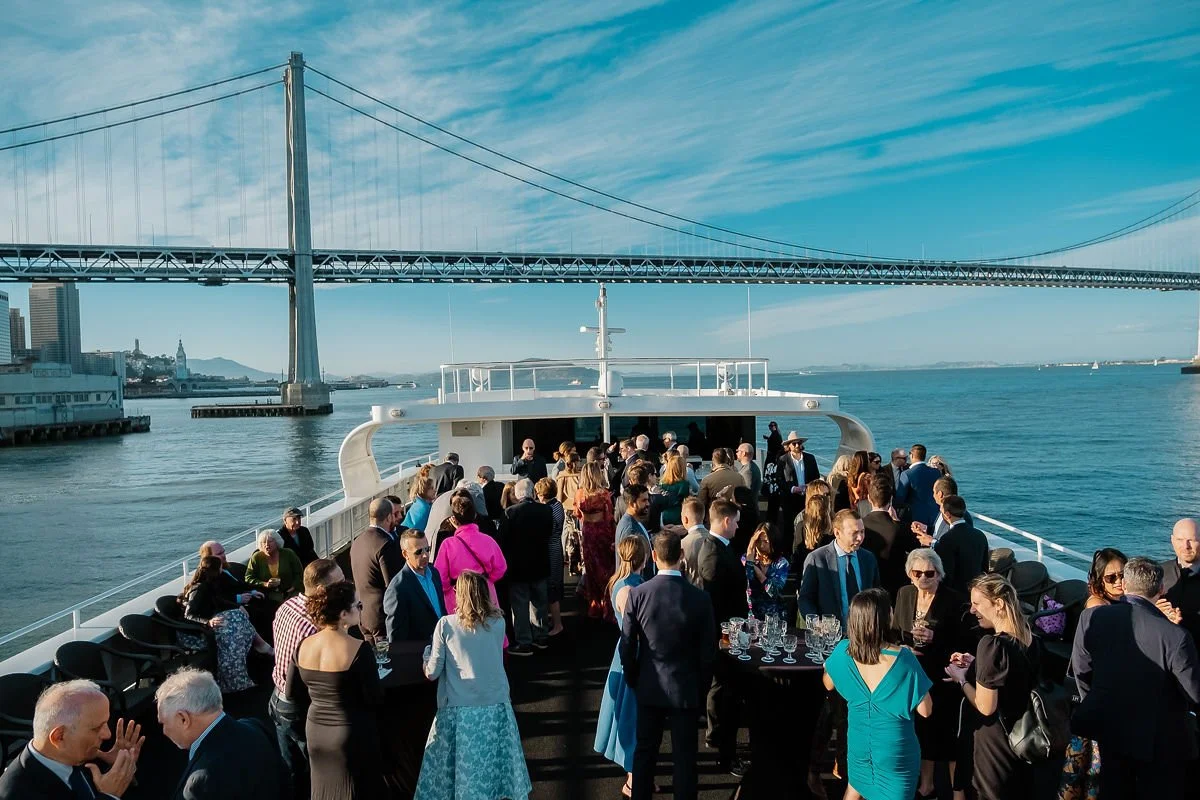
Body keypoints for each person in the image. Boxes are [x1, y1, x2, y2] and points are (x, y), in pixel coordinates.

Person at [1070, 557, 1200, 800]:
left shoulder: (1092, 618)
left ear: (1126, 586)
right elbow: (1193, 692)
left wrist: (1101, 704)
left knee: (1113, 789)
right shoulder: (1176, 636)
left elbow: (1081, 670)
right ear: (1160, 589)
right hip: (1158, 740)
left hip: (1109, 728)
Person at [416, 570, 532, 800]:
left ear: (461, 594)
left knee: (462, 774)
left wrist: (426, 656)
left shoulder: (446, 625)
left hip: (460, 709)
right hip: (496, 705)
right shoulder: (498, 622)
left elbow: (432, 672)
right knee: (497, 767)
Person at [620, 532, 717, 800]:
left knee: (644, 754)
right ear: (682, 556)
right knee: (685, 759)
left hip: (649, 685)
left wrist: (633, 677)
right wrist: (701, 688)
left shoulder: (638, 594)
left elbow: (627, 645)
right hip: (685, 690)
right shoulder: (700, 599)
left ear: (654, 556)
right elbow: (708, 652)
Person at [824, 588, 933, 800]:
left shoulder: (842, 651)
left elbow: (828, 683)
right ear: (886, 617)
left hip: (858, 743)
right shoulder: (903, 658)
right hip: (895, 750)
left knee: (855, 787)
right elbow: (926, 710)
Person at [944, 573, 1037, 800]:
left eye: (977, 604)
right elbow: (1014, 674)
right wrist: (977, 665)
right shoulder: (1028, 637)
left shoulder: (991, 644)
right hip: (1020, 737)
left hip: (991, 743)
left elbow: (986, 707)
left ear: (999, 605)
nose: (973, 610)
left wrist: (962, 679)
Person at [893, 548, 974, 799]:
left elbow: (965, 642)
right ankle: (926, 784)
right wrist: (903, 645)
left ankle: (955, 790)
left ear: (939, 574)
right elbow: (896, 630)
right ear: (909, 574)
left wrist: (935, 638)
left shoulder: (954, 600)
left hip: (941, 674)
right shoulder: (904, 594)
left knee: (945, 733)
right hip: (912, 673)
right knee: (920, 729)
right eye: (918, 573)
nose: (923, 578)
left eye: (930, 573)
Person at [1057, 548, 1126, 800]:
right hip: (1094, 696)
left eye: (1123, 575)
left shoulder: (1121, 603)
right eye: (1111, 578)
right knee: (1088, 760)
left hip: (1102, 694)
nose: (1119, 582)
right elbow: (1087, 659)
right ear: (1098, 580)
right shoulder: (1097, 608)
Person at [158, 667, 287, 800]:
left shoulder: (200, 783)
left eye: (164, 723)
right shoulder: (254, 726)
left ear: (183, 718)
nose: (164, 731)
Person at [0, 679, 142, 800]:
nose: (108, 735)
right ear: (59, 737)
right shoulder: (16, 793)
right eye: (96, 728)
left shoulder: (86, 753)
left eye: (106, 723)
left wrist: (123, 768)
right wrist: (108, 796)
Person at [270, 558, 344, 784]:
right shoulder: (316, 626)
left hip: (276, 698)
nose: (346, 585)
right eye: (339, 583)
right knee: (316, 773)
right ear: (322, 590)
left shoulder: (286, 607)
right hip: (299, 708)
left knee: (290, 770)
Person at [595, 535, 651, 796]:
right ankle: (633, 779)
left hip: (629, 652)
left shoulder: (623, 583)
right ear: (645, 557)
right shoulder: (629, 589)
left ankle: (638, 775)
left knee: (633, 716)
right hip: (633, 655)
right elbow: (638, 628)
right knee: (631, 718)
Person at [696, 499, 747, 774]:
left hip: (729, 635)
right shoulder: (714, 556)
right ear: (726, 521)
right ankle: (726, 753)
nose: (738, 526)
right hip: (725, 638)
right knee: (727, 694)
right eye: (736, 521)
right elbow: (713, 606)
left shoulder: (718, 549)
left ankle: (719, 739)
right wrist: (727, 642)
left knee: (724, 691)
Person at [183, 555, 260, 693]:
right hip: (197, 633)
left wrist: (237, 606)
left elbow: (217, 601)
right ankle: (232, 682)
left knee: (240, 619)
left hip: (209, 625)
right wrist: (208, 622)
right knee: (232, 638)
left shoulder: (210, 585)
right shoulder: (198, 589)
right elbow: (188, 615)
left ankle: (241, 672)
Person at [798, 509, 880, 623]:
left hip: (864, 633)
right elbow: (805, 598)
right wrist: (816, 623)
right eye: (854, 533)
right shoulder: (817, 559)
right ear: (837, 533)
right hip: (830, 634)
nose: (860, 538)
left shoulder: (868, 558)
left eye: (862, 532)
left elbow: (877, 593)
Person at [502, 478, 553, 656]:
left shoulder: (510, 513)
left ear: (517, 494)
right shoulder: (546, 510)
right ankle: (542, 636)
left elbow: (504, 540)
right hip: (540, 563)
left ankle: (524, 642)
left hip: (518, 567)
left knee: (520, 606)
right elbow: (549, 533)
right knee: (540, 602)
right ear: (532, 492)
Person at [433, 494, 508, 616]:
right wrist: (487, 580)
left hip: (459, 596)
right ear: (474, 515)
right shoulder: (488, 540)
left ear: (454, 520)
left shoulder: (448, 545)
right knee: (489, 627)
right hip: (486, 592)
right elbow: (501, 567)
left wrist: (449, 590)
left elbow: (440, 577)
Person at [349, 497, 403, 645]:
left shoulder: (357, 541)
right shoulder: (385, 545)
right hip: (381, 617)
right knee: (384, 662)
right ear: (388, 517)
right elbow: (392, 584)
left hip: (363, 614)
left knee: (373, 660)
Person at [383, 529, 445, 644]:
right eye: (419, 552)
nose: (425, 555)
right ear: (405, 554)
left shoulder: (434, 573)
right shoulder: (397, 588)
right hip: (419, 653)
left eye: (427, 549)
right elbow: (396, 638)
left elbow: (441, 609)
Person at [862, 475, 917, 599]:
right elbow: (915, 550)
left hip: (867, 585)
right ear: (891, 499)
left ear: (869, 498)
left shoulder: (861, 526)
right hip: (896, 588)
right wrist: (897, 522)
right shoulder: (901, 528)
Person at [576, 461, 618, 620]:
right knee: (607, 568)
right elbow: (609, 516)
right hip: (603, 531)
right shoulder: (604, 494)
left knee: (592, 568)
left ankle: (595, 605)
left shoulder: (580, 493)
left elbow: (578, 514)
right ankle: (608, 605)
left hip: (587, 532)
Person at [934, 496, 990, 595]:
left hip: (955, 594)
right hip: (975, 591)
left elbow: (945, 574)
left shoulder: (947, 540)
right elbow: (984, 568)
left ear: (947, 514)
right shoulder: (980, 535)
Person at [535, 477, 567, 637]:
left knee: (552, 587)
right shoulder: (558, 505)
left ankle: (557, 624)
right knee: (554, 584)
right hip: (556, 548)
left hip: (550, 549)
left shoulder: (548, 509)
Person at [1161, 518, 1200, 641]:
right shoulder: (1159, 573)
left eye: (1191, 540)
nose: (1186, 546)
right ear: (1172, 540)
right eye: (1180, 540)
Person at [245, 529, 305, 604]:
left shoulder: (288, 554)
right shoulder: (256, 557)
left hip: (291, 592)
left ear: (277, 542)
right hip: (269, 595)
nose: (266, 545)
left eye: (270, 541)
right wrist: (264, 584)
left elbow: (299, 573)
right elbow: (248, 578)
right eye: (263, 542)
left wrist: (294, 586)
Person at [743, 522, 788, 620]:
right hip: (751, 615)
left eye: (766, 542)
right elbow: (748, 581)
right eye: (758, 541)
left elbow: (773, 591)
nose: (761, 545)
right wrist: (750, 552)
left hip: (773, 616)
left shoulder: (781, 563)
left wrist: (757, 571)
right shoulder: (746, 559)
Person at [775, 431, 820, 531]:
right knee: (789, 527)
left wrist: (808, 486)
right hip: (789, 499)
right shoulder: (783, 460)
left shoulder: (810, 458)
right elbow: (779, 480)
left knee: (808, 525)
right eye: (793, 443)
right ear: (789, 446)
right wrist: (793, 488)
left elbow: (816, 476)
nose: (796, 445)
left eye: (798, 443)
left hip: (807, 498)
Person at [896, 444, 942, 529]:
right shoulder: (936, 472)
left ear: (912, 455)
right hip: (935, 516)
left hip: (916, 519)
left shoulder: (907, 474)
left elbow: (899, 498)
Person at [793, 490, 834, 574]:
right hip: (827, 570)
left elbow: (796, 550)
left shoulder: (801, 526)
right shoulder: (831, 527)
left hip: (806, 568)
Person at [697, 447, 745, 518]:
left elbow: (701, 503)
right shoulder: (740, 477)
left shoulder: (707, 480)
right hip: (734, 517)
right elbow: (744, 498)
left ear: (713, 460)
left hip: (714, 518)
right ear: (726, 459)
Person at [679, 497, 710, 586]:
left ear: (685, 519)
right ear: (703, 516)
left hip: (692, 592)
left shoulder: (682, 544)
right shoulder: (715, 539)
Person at [657, 454, 692, 526]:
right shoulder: (684, 484)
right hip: (678, 516)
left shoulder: (662, 483)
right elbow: (686, 502)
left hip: (663, 515)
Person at [845, 450, 872, 517]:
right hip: (866, 505)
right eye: (868, 458)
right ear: (864, 461)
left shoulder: (851, 477)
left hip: (855, 505)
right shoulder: (866, 477)